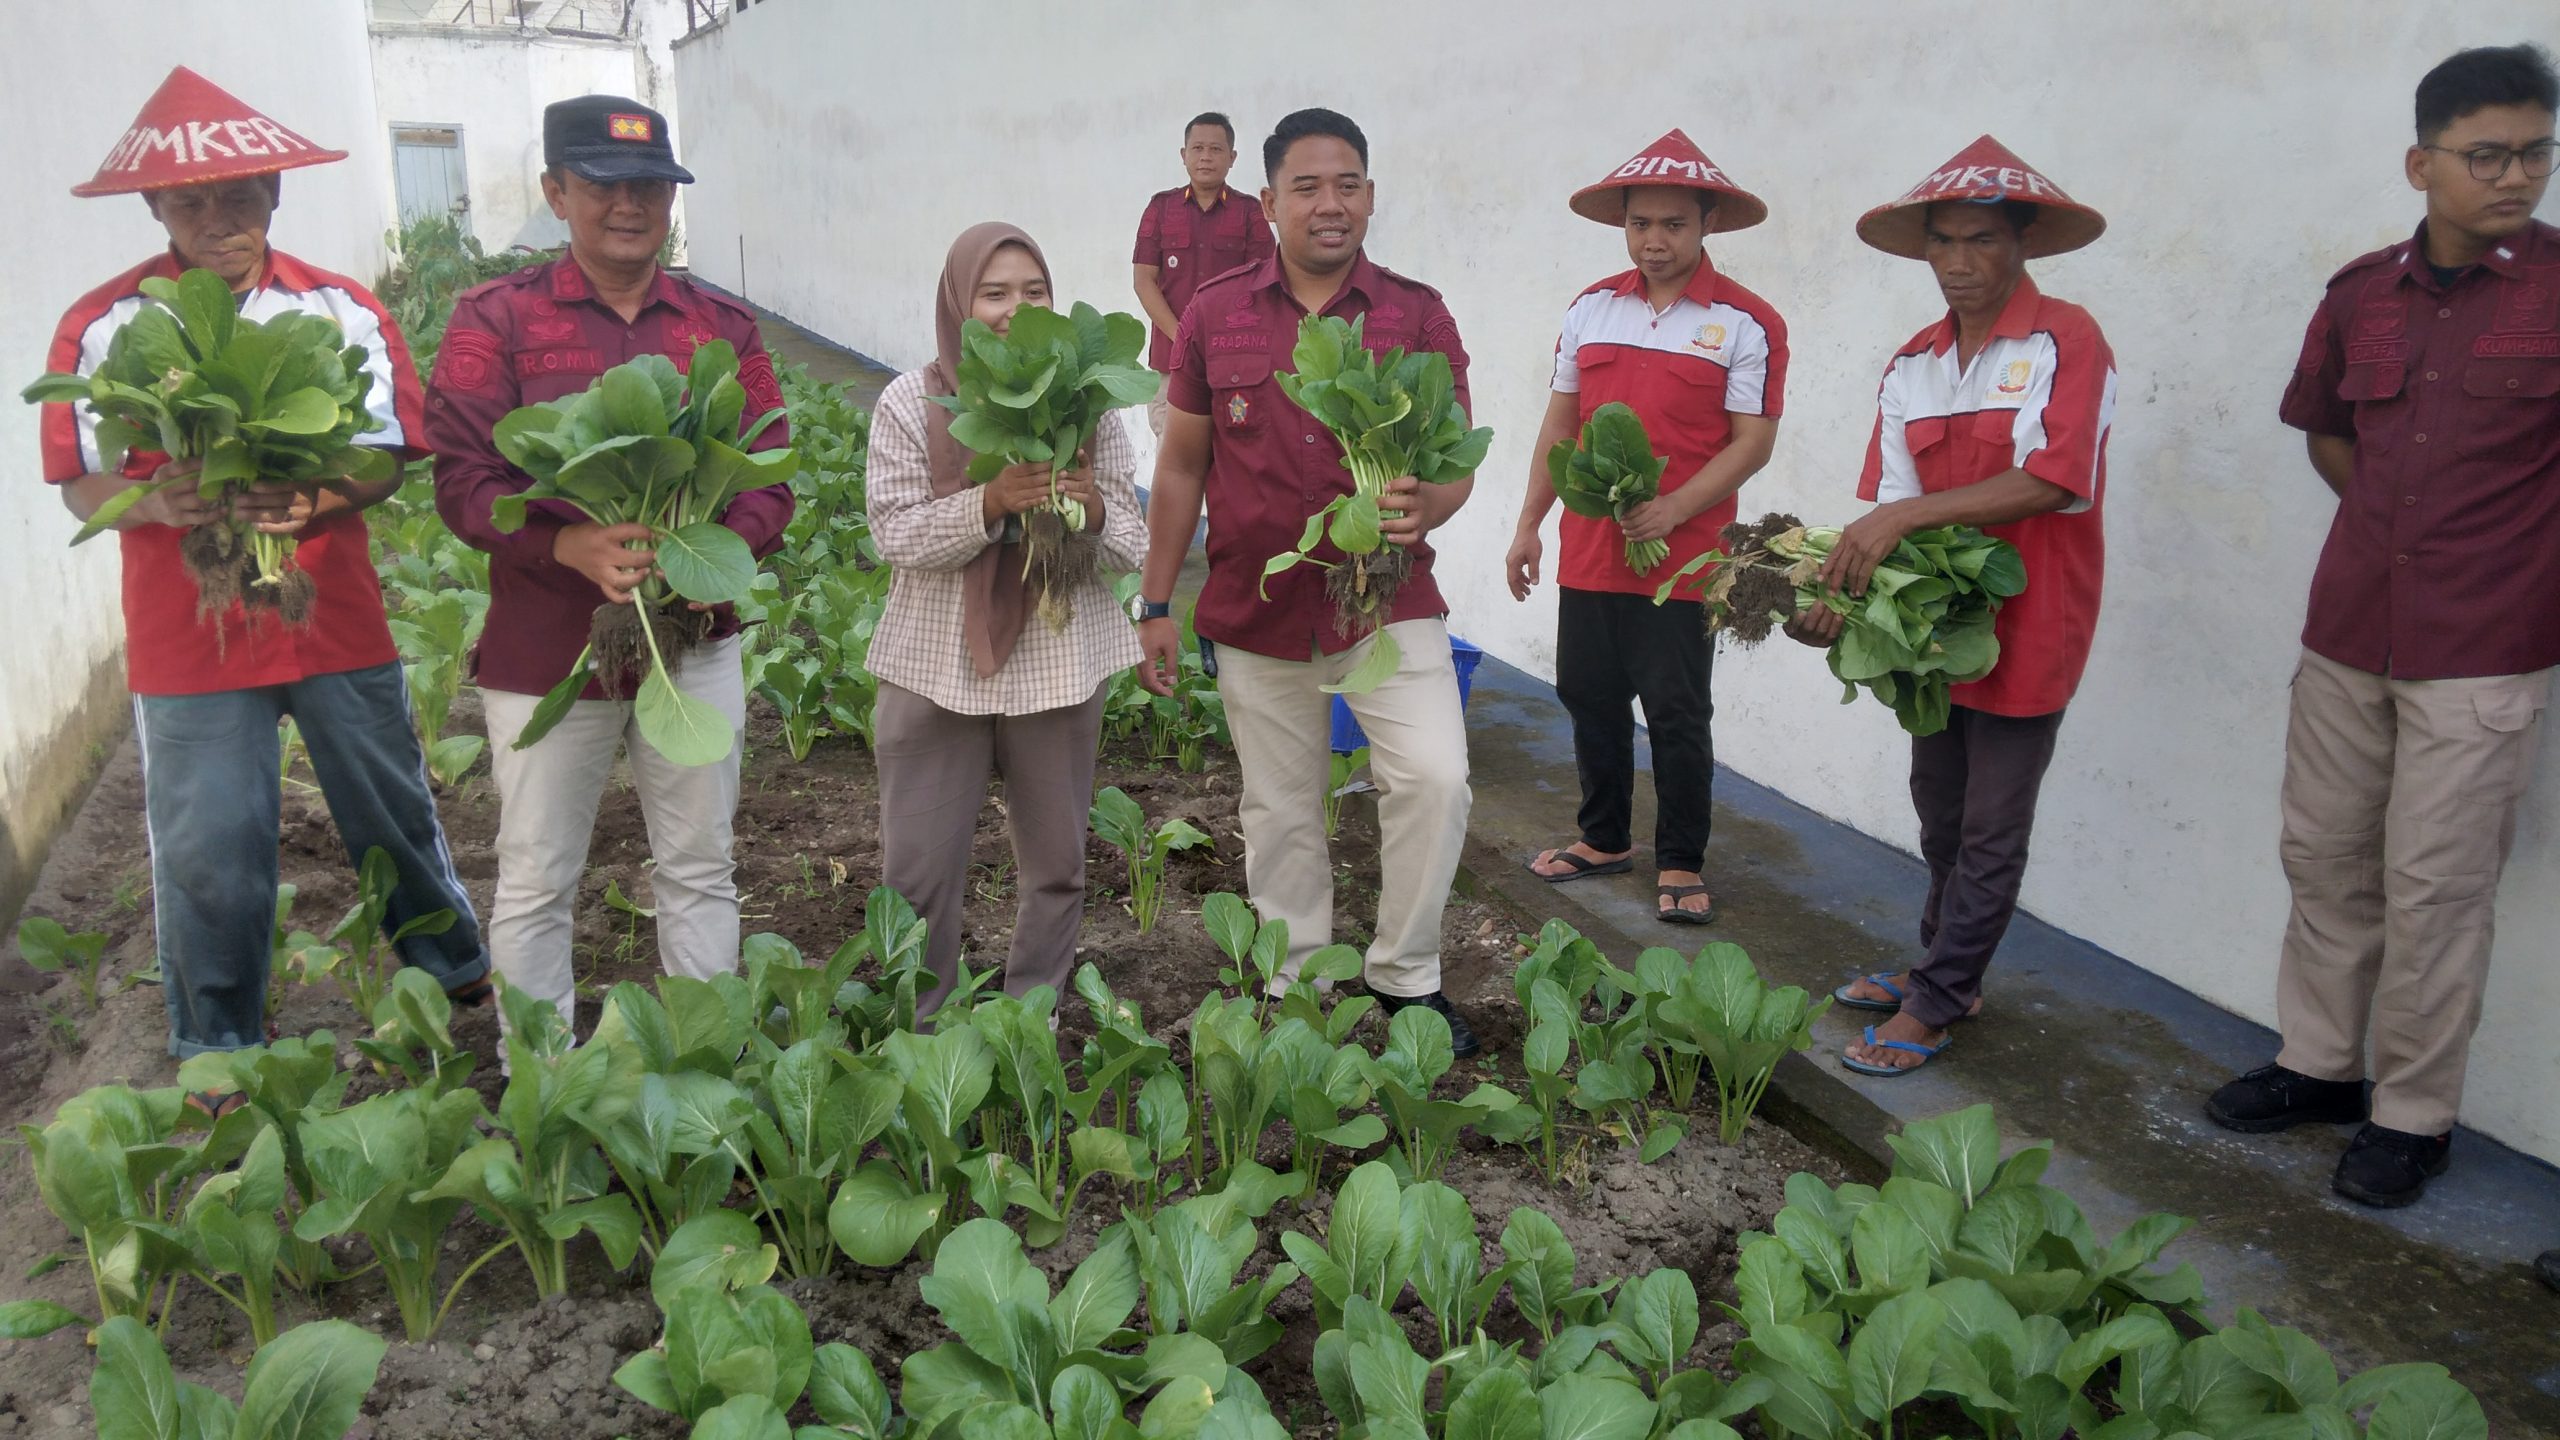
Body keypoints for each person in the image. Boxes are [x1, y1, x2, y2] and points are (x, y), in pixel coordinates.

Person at [36, 68, 487, 1094]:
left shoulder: (338, 308)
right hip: (187, 631)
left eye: (241, 195)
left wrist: (316, 502)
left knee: (389, 807)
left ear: (275, 193)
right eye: (191, 202)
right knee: (208, 842)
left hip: (328, 613)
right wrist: (154, 502)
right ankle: (218, 1039)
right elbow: (74, 478)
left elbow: (386, 453)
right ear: (156, 209)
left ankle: (450, 967)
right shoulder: (105, 324)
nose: (218, 220)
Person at [2207, 44, 2558, 1208]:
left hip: (2484, 645)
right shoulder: (2360, 293)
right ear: (2422, 163)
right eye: (2488, 154)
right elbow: (2325, 429)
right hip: (2350, 625)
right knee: (2324, 857)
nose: (2516, 177)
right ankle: (2317, 1068)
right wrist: (2389, 528)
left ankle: (2413, 1117)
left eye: (2536, 153)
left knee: (2437, 886)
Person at [426, 95, 793, 1031]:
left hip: (690, 643)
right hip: (549, 647)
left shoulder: (722, 327)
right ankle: (537, 1085)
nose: (629, 204)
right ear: (556, 192)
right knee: (538, 877)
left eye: (650, 187)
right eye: (601, 184)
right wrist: (566, 544)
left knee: (700, 869)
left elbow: (769, 479)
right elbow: (465, 481)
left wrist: (696, 557)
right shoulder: (494, 320)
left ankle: (703, 1074)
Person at [1134, 107, 1482, 1055]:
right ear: (1269, 200)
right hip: (1260, 604)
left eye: (1348, 185)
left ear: (1369, 195)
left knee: (1436, 779)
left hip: (1388, 599)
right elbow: (1180, 468)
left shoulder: (1416, 311)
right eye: (1308, 187)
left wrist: (1430, 506)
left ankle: (1406, 977)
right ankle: (1298, 984)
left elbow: (1455, 458)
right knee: (1279, 807)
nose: (1331, 205)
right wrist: (1157, 601)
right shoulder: (1215, 313)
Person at [1795, 136, 2117, 1077]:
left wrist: (1901, 517)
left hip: (2037, 616)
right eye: (1944, 243)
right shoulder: (1913, 363)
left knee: (1991, 825)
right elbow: (1890, 511)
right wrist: (1841, 597)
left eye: (1981, 241)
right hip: (1937, 630)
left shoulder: (2067, 336)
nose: (1960, 264)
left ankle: (1937, 1001)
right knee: (1939, 807)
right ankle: (1948, 969)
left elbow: (2055, 481)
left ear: (2021, 245)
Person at [867, 223, 1147, 1019]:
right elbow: (894, 532)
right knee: (917, 873)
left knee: (1057, 865)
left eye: (1034, 293)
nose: (1013, 310)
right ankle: (925, 1032)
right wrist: (987, 504)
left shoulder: (1090, 405)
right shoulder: (909, 401)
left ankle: (1034, 1017)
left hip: (1059, 658)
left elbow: (1131, 541)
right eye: (994, 293)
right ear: (960, 301)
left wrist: (1089, 508)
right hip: (934, 665)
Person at [1507, 130, 1787, 924]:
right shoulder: (1592, 307)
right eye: (1640, 224)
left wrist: (1676, 508)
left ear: (1705, 227)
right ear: (1622, 227)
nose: (1654, 241)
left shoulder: (1745, 322)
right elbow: (1560, 425)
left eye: (1672, 224)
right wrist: (1530, 523)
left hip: (1687, 558)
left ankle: (1681, 858)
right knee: (1587, 692)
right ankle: (1602, 837)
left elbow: (1753, 440)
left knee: (1674, 708)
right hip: (1591, 549)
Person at [1132, 111, 1274, 436]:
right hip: (1172, 362)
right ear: (1184, 156)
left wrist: (1222, 340)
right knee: (1174, 456)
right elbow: (1143, 281)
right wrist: (1183, 336)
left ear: (1232, 157)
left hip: (1233, 364)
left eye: (1215, 149)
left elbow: (1263, 284)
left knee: (1235, 452)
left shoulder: (1250, 212)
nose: (1206, 158)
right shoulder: (1161, 208)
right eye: (1197, 149)